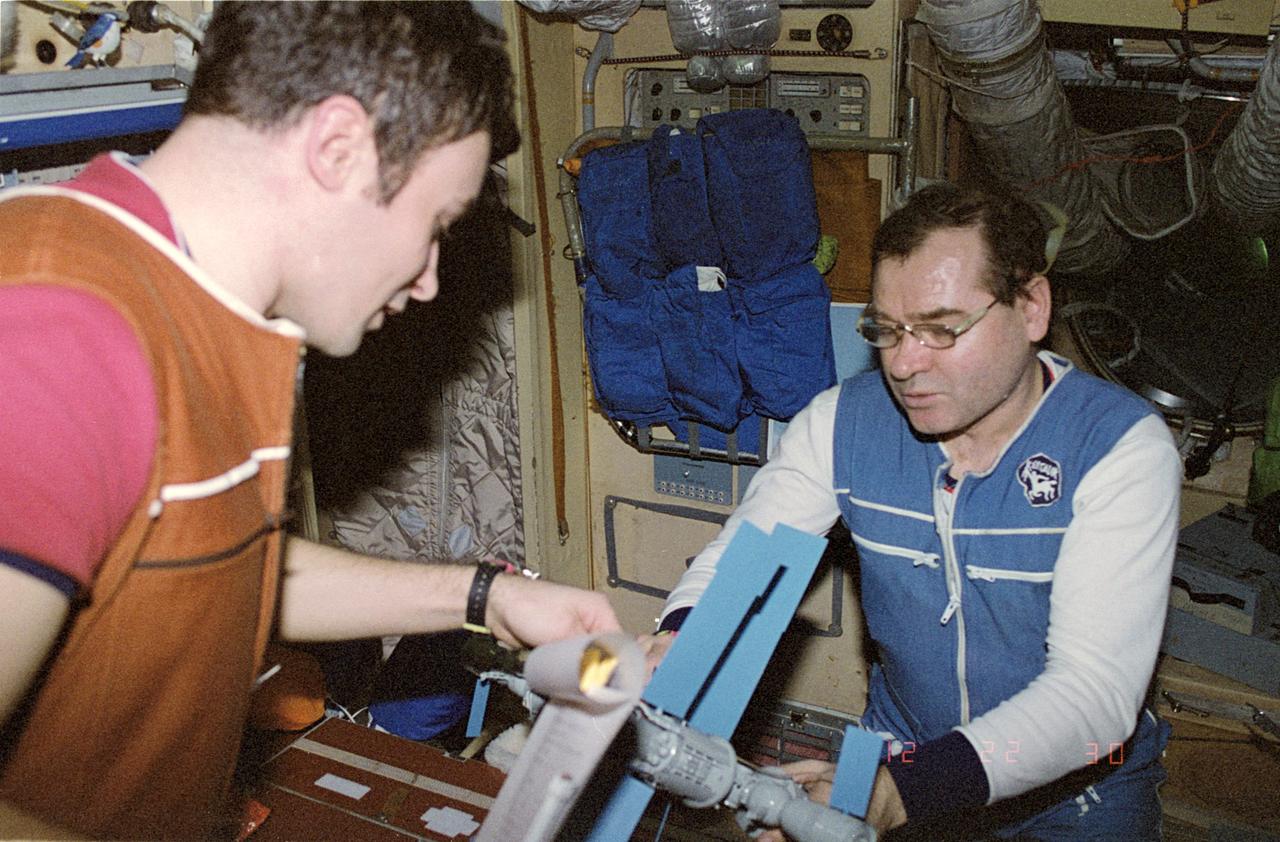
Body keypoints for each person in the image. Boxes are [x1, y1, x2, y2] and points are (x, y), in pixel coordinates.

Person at [0, 3, 618, 839]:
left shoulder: (206, 313)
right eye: (435, 224)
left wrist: (485, 596)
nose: (429, 280)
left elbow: (222, 564)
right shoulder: (56, 331)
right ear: (336, 148)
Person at [640, 182, 1181, 839]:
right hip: (904, 751)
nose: (903, 363)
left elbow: (1093, 694)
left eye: (941, 328)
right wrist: (681, 641)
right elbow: (744, 564)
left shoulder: (1119, 446)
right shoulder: (840, 424)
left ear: (1032, 307)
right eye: (887, 330)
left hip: (1079, 785)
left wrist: (903, 791)